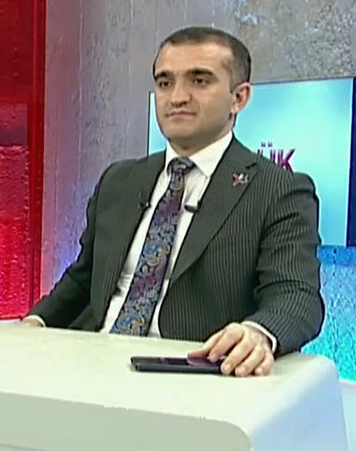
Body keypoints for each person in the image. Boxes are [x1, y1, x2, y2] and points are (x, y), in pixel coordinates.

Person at [23, 26, 324, 377]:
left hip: (188, 374)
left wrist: (257, 333)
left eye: (199, 81)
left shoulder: (278, 190)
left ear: (239, 98)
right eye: (165, 83)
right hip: (92, 363)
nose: (177, 97)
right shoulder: (119, 180)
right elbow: (84, 278)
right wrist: (35, 322)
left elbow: (296, 295)